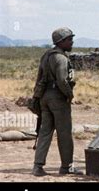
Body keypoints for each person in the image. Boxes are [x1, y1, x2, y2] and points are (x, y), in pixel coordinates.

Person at [31, 27, 82, 176]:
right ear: (62, 42)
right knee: (64, 133)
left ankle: (37, 166)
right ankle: (66, 167)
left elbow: (39, 77)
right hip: (58, 98)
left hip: (44, 98)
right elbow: (62, 80)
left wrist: (37, 97)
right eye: (69, 40)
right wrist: (69, 94)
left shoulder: (46, 55)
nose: (72, 42)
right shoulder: (61, 58)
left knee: (45, 132)